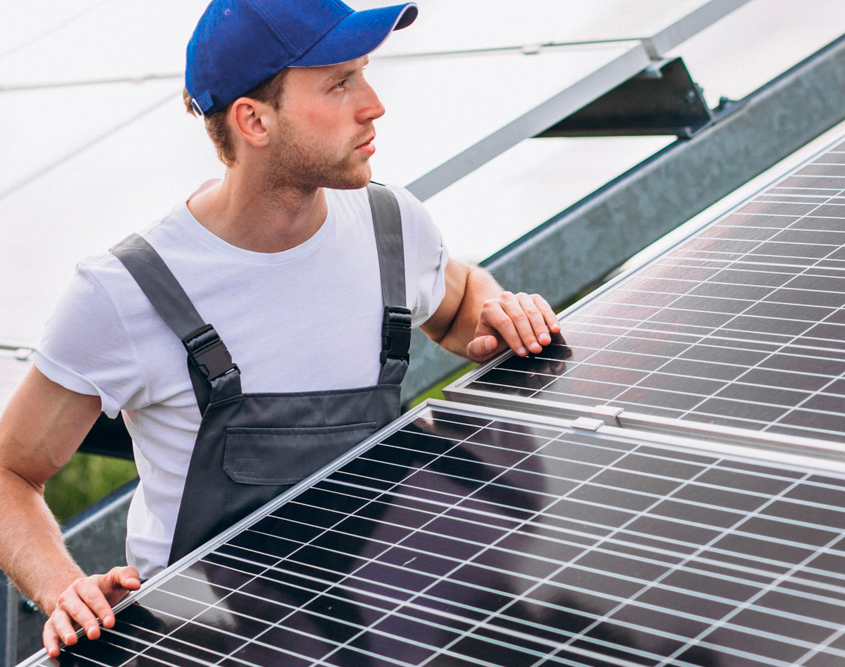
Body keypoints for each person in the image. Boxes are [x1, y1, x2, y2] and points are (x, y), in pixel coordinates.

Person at [0, 0, 560, 658]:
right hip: (203, 645)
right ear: (254, 120)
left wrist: (496, 315)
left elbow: (460, 296)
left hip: (381, 628)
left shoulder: (391, 226)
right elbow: (11, 470)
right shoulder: (126, 293)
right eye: (340, 82)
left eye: (365, 73)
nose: (373, 103)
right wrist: (63, 586)